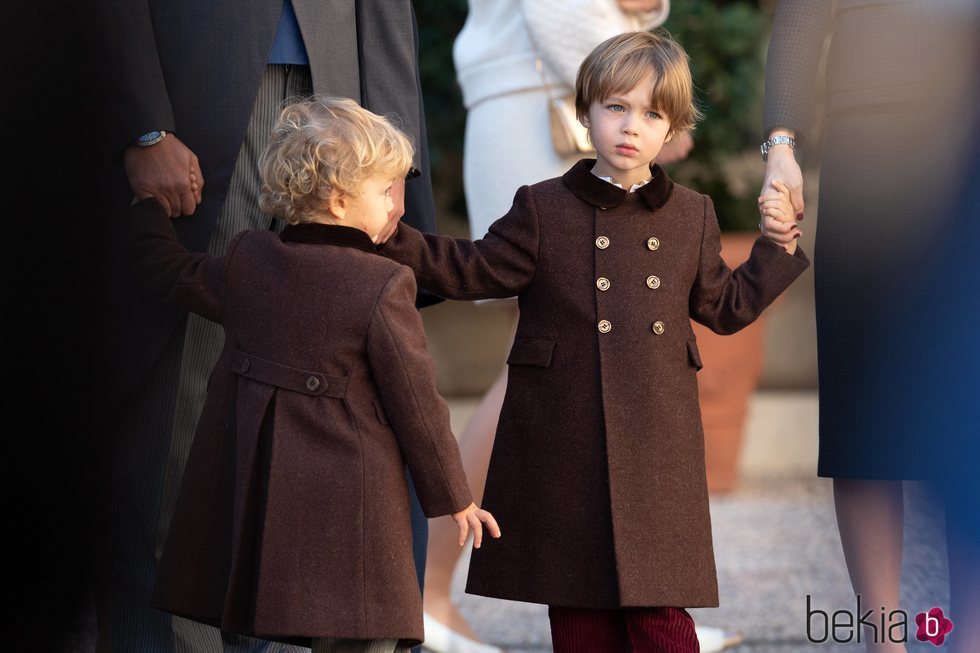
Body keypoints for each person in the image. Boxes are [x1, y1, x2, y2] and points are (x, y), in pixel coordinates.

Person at [380, 30, 808, 652]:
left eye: (652, 113)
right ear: (584, 113)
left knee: (659, 618)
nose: (631, 126)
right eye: (616, 107)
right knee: (579, 617)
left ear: (673, 130)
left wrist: (778, 248)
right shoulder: (542, 208)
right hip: (564, 433)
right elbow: (471, 269)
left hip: (657, 442)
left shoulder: (693, 214)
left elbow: (724, 306)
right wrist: (388, 231)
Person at [94, 2, 440, 651]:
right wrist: (142, 126)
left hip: (344, 106)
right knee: (183, 414)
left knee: (337, 416)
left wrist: (397, 167)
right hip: (192, 102)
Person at [125, 97, 501, 653]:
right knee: (363, 629)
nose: (397, 207)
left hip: (262, 496)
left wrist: (147, 208)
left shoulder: (251, 259)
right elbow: (417, 403)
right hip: (352, 502)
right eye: (384, 192)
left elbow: (165, 270)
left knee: (271, 616)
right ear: (341, 198)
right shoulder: (382, 283)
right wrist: (455, 497)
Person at [422, 3, 707, 651]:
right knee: (544, 357)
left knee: (548, 356)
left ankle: (633, 596)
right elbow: (560, 10)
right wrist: (650, 92)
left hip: (547, 95)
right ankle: (431, 586)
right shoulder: (615, 98)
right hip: (540, 100)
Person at [760, 2, 979, 651]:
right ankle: (884, 640)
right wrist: (781, 144)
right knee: (862, 402)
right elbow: (801, 16)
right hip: (870, 143)